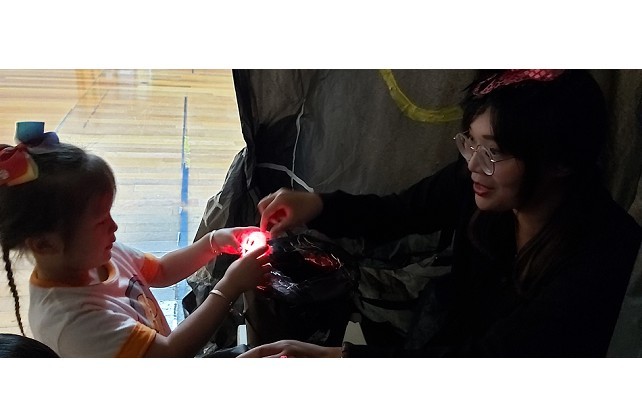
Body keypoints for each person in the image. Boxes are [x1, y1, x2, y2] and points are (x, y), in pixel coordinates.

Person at [239, 69, 642, 358]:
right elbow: (399, 212)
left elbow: (490, 361)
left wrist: (342, 358)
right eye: (471, 142)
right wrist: (319, 204)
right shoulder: (483, 183)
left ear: (560, 161)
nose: (473, 164)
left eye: (494, 150)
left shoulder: (604, 256)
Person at [0, 122, 271, 357]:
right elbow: (170, 354)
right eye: (100, 221)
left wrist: (213, 242)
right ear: (45, 244)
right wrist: (229, 287)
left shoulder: (101, 255)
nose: (114, 226)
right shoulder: (73, 322)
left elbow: (161, 271)